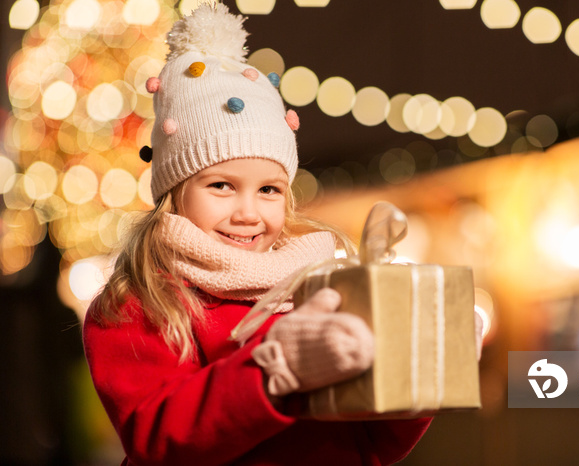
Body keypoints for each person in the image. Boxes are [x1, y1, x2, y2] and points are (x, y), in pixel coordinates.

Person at [82, 3, 454, 465]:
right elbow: (158, 437)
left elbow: (367, 445)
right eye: (221, 186)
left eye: (269, 190)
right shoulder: (137, 303)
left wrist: (422, 362)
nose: (248, 212)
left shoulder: (317, 286)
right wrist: (277, 368)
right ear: (174, 192)